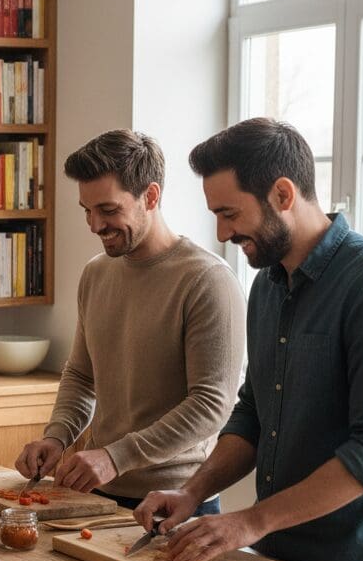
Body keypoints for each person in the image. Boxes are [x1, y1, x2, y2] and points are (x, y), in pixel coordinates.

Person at [137, 117, 363, 561]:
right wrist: (193, 493)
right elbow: (254, 414)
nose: (221, 232)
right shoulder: (266, 285)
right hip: (278, 556)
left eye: (230, 213)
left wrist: (250, 522)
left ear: (283, 195)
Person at [14, 129, 246, 512]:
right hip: (96, 491)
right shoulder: (95, 273)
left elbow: (211, 405)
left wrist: (115, 457)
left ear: (150, 196)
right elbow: (81, 376)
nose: (94, 225)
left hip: (175, 502)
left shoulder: (208, 280)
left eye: (108, 210)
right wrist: (57, 437)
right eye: (86, 210)